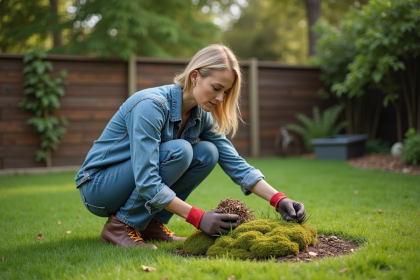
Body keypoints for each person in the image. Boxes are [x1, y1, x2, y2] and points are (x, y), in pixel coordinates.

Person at [75, 44, 306, 249]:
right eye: (216, 88)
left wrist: (279, 200)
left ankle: (152, 224)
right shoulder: (151, 106)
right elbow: (147, 179)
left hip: (128, 184)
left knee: (208, 152)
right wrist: (198, 217)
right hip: (99, 187)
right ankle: (119, 227)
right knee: (181, 150)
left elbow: (237, 165)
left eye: (225, 92)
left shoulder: (201, 116)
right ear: (195, 76)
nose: (220, 98)